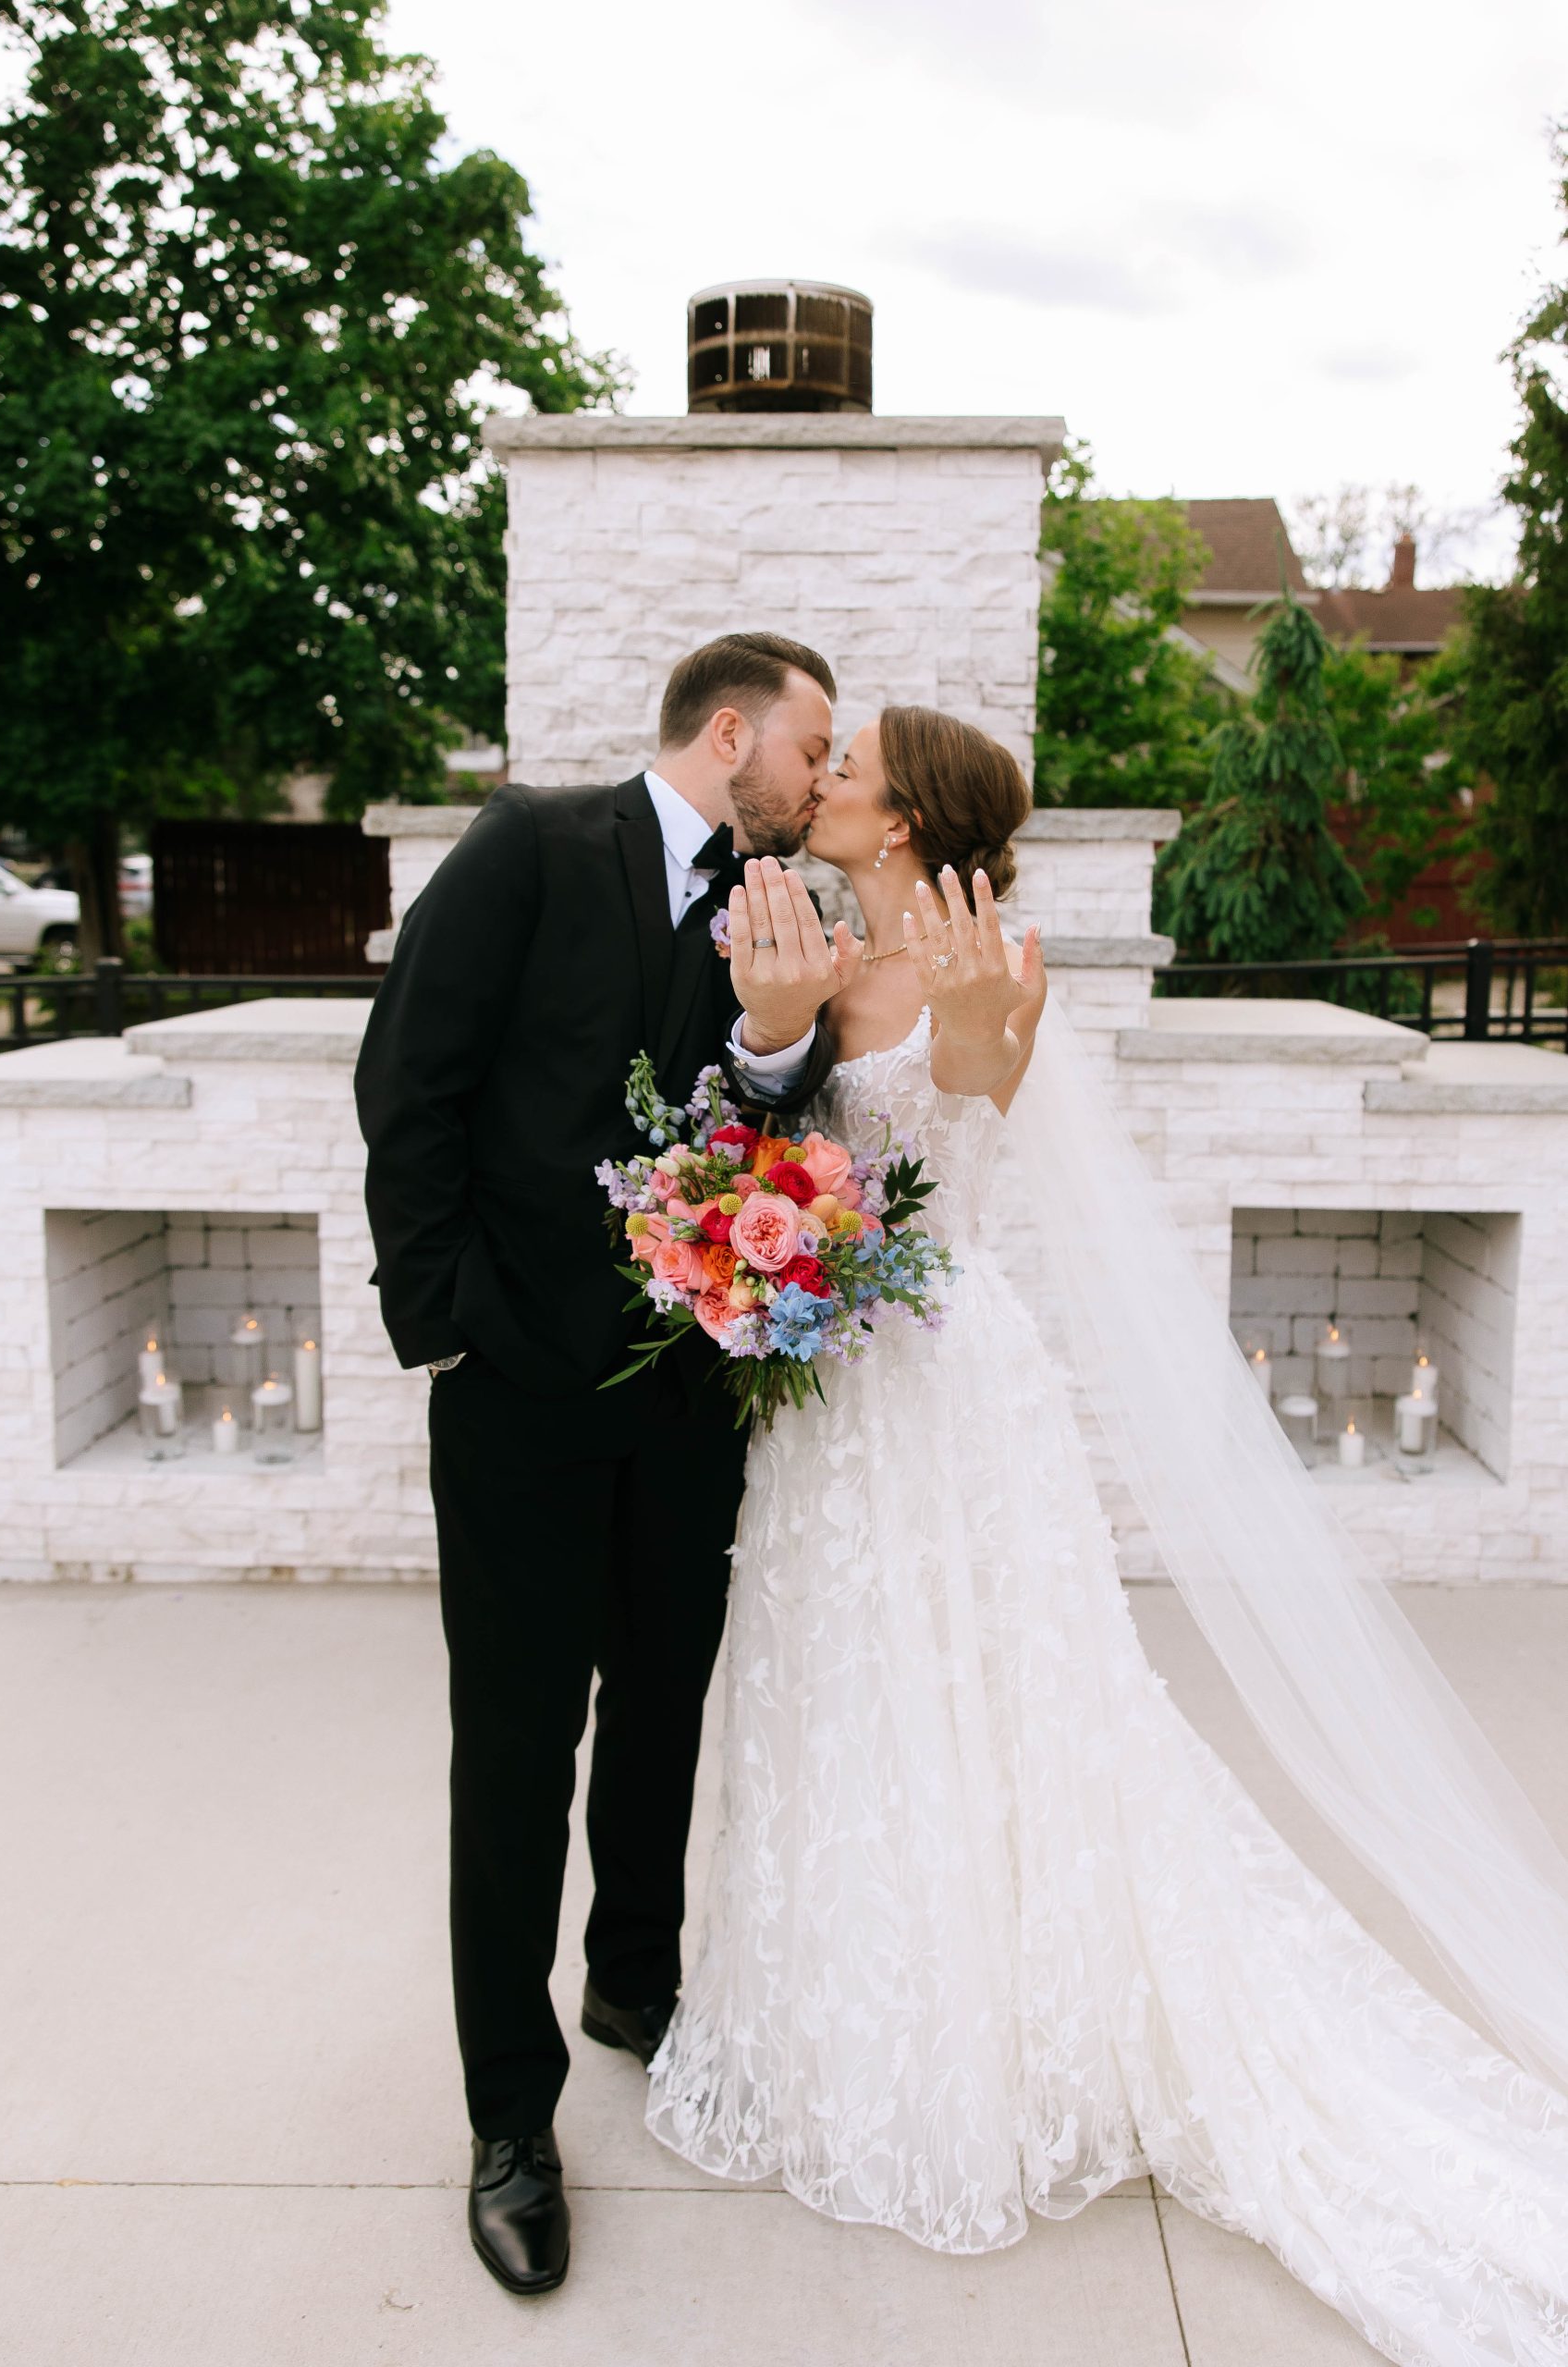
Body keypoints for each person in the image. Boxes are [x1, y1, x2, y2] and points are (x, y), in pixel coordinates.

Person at [645, 706, 1568, 2366]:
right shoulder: (820, 943)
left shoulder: (993, 964)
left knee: (993, 1706)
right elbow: (785, 1145)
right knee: (844, 1694)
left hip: (938, 1386)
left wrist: (953, 1037)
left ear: (912, 815)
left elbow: (954, 1135)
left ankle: (999, 2049)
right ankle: (852, 2029)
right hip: (823, 1397)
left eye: (853, 764)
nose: (827, 774)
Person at [355, 632, 853, 2297]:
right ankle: (510, 2120)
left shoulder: (783, 905)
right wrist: (443, 1324)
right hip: (511, 1391)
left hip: (690, 1396)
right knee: (512, 1754)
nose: (819, 775)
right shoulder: (527, 845)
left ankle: (636, 1979)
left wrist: (784, 1034)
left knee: (664, 1699)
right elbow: (407, 1081)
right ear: (733, 735)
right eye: (811, 746)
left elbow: (781, 1111)